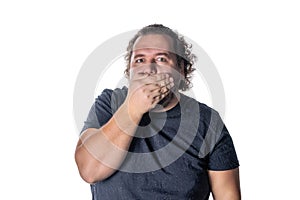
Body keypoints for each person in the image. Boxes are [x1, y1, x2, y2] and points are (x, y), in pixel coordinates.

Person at [75, 24, 241, 200]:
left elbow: (228, 196)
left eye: (161, 59)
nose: (149, 69)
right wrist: (133, 109)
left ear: (182, 69)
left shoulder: (207, 122)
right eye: (139, 60)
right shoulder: (109, 104)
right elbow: (89, 171)